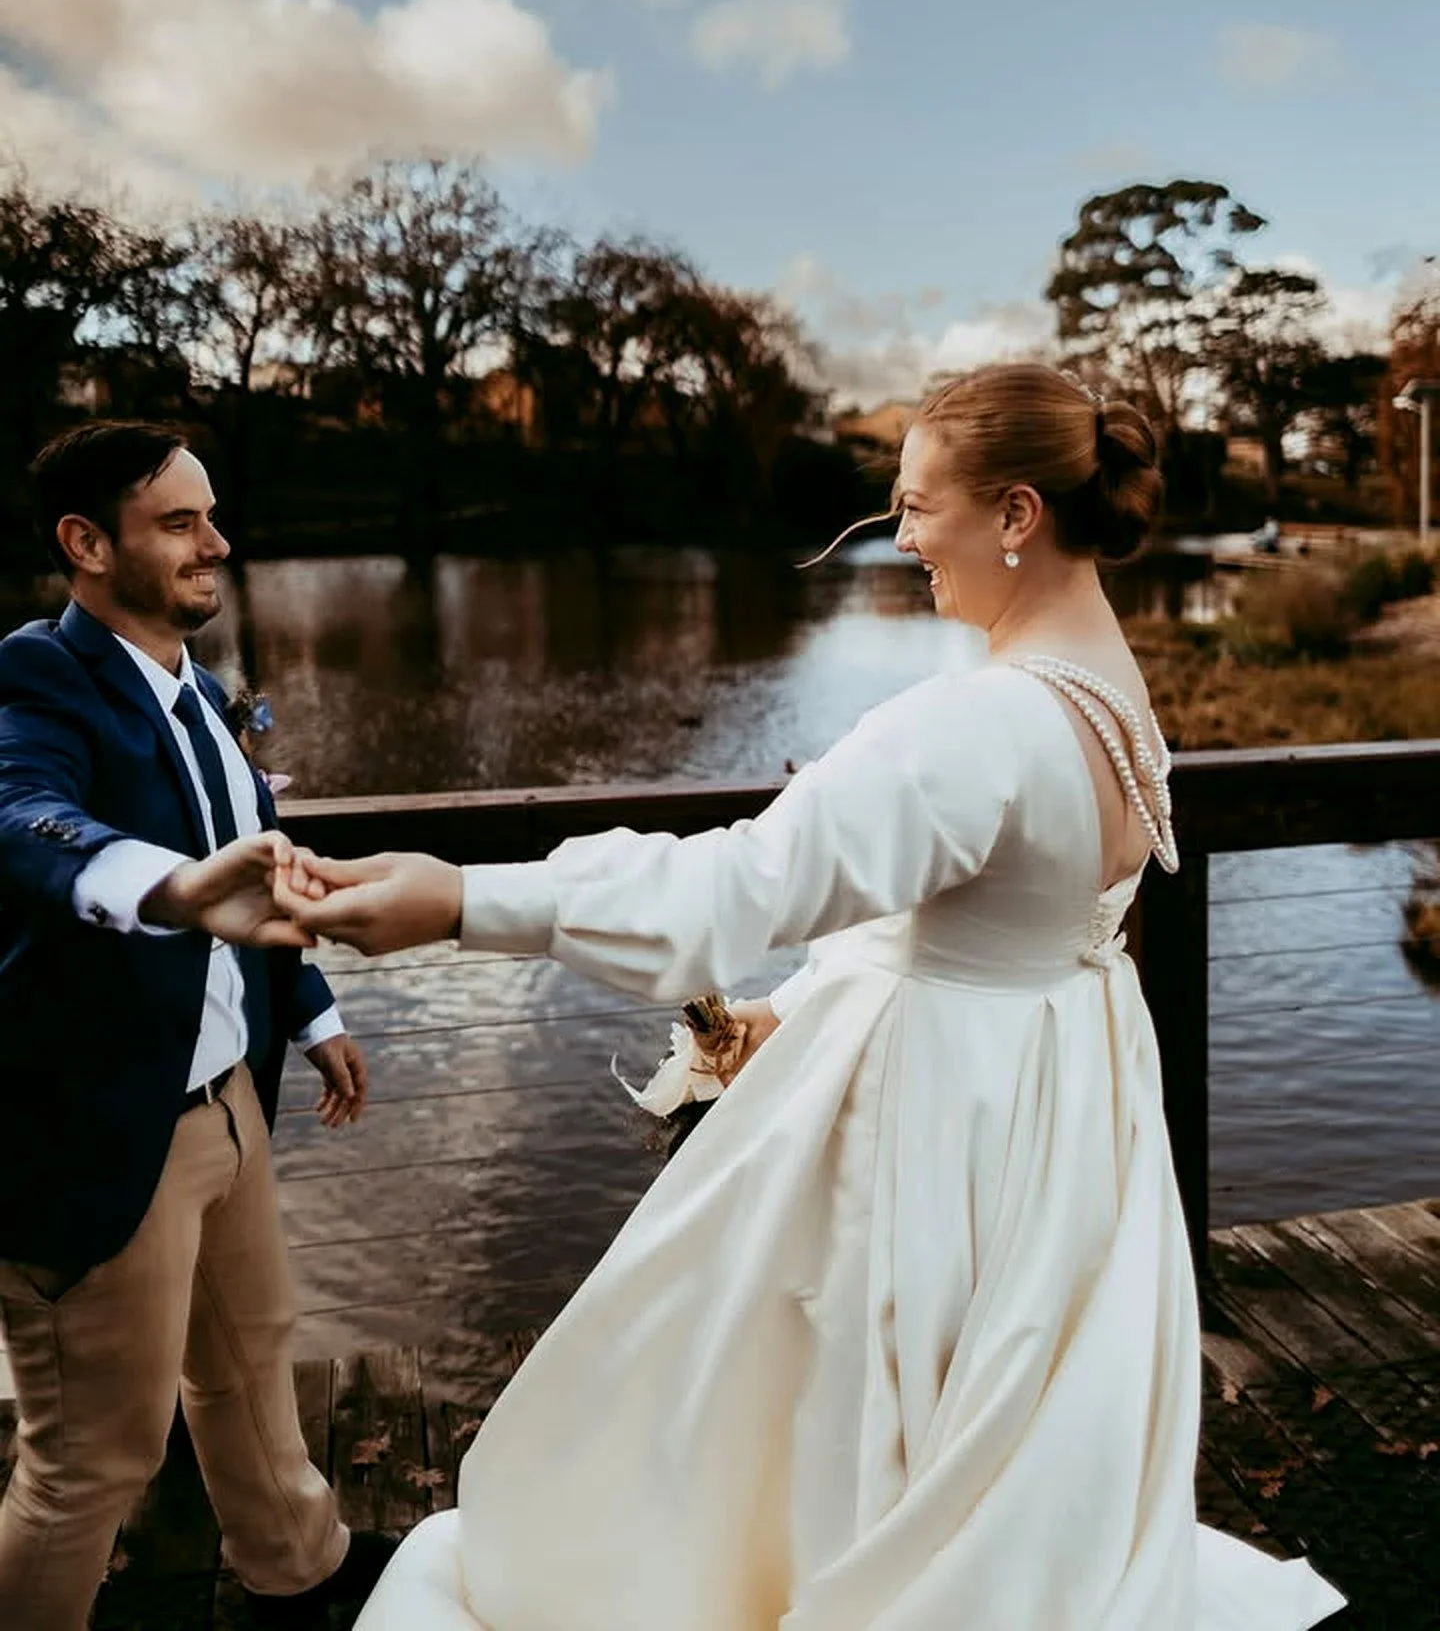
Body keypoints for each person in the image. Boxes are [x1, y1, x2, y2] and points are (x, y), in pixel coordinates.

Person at [170, 368, 1346, 1628]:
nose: (902, 541)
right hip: (1055, 1102)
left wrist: (462, 899)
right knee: (971, 1405)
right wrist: (821, 994)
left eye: (914, 508)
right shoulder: (1115, 697)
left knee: (825, 1384)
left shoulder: (979, 722)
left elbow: (735, 886)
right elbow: (976, 911)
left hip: (945, 1119)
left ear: (1016, 514)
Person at [0, 421, 397, 1630]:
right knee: (92, 1463)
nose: (217, 543)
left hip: (229, 1100)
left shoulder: (202, 690)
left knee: (248, 1362)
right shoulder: (35, 673)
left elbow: (252, 872)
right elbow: (22, 818)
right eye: (179, 521)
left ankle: (299, 1570)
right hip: (98, 1131)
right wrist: (165, 888)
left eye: (211, 515)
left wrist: (313, 1004)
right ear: (85, 543)